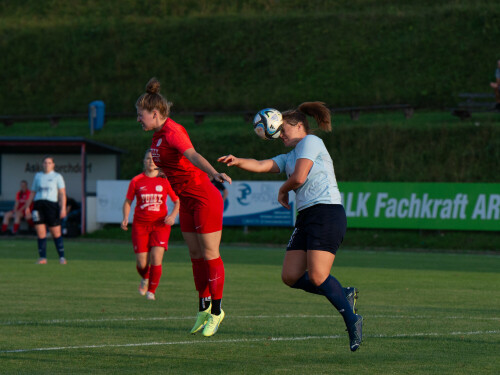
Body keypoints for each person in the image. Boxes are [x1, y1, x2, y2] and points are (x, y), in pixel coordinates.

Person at [218, 102, 363, 351]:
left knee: (318, 276)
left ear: (299, 126)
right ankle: (343, 291)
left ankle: (353, 319)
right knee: (290, 276)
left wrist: (282, 191)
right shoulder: (290, 156)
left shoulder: (311, 142)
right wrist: (238, 160)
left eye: (284, 129)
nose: (280, 134)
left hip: (326, 212)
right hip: (307, 216)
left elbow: (299, 178)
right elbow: (263, 164)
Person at [136, 77, 232, 337]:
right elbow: (175, 166)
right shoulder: (157, 137)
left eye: (140, 114)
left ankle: (217, 311)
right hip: (187, 201)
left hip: (204, 197)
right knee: (196, 256)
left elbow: (192, 155)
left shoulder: (173, 131)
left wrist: (214, 173)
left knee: (210, 254)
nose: (138, 119)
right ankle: (203, 307)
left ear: (155, 113)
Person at [121, 149, 180, 301]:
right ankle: (145, 278)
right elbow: (128, 202)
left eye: (153, 159)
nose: (151, 162)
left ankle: (151, 291)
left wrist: (172, 216)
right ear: (144, 161)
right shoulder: (136, 180)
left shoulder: (164, 180)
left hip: (160, 225)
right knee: (141, 263)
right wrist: (125, 218)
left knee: (156, 257)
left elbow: (177, 201)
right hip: (140, 225)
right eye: (148, 159)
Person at [23, 156, 67, 265]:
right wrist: (27, 206)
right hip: (38, 205)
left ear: (53, 165)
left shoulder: (57, 176)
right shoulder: (38, 176)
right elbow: (33, 192)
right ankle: (42, 258)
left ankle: (62, 257)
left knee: (56, 233)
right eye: (45, 163)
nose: (47, 164)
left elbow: (62, 193)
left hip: (51, 205)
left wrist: (63, 208)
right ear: (42, 164)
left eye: (49, 163)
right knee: (40, 232)